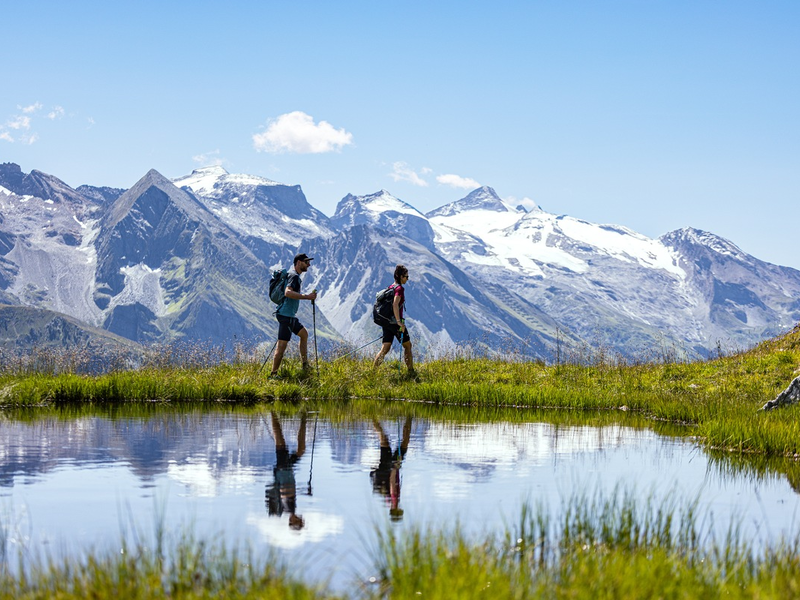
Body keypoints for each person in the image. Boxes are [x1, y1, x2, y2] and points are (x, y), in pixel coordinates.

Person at [271, 253, 317, 377]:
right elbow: (287, 292)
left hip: (289, 315)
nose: (309, 264)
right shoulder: (294, 276)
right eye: (306, 262)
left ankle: (305, 365)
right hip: (286, 316)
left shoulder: (293, 276)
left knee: (304, 334)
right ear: (298, 262)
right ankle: (273, 375)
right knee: (281, 346)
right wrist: (307, 297)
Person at [373, 264, 417, 379]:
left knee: (385, 348)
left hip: (387, 322)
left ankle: (373, 373)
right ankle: (411, 372)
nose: (407, 279)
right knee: (408, 346)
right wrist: (399, 322)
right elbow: (395, 304)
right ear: (401, 277)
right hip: (395, 323)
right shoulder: (399, 289)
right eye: (406, 277)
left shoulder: (391, 287)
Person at [265, 411, 307, 530]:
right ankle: (303, 418)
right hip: (286, 469)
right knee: (300, 450)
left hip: (284, 468)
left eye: (298, 521)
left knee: (280, 439)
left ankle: (273, 412)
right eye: (301, 521)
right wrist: (303, 490)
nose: (301, 519)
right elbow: (288, 491)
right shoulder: (289, 508)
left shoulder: (289, 509)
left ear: (292, 521)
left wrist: (304, 490)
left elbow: (285, 491)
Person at [370, 416, 412, 521]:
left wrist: (395, 467)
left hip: (391, 467)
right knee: (384, 441)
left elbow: (392, 483)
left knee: (404, 443)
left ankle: (409, 417)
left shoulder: (393, 500)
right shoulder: (388, 501)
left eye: (399, 511)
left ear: (396, 510)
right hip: (384, 468)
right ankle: (372, 417)